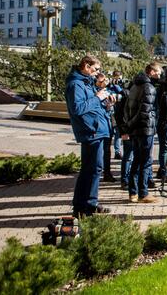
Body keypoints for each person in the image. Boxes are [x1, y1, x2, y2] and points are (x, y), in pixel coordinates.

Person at [64, 55, 113, 217]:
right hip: (90, 131)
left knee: (93, 169)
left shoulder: (86, 82)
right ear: (86, 66)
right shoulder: (75, 84)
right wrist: (97, 97)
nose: (98, 73)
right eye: (96, 69)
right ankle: (82, 207)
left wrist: (106, 103)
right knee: (91, 169)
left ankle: (89, 204)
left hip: (97, 129)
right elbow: (77, 108)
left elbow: (94, 106)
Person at [125, 62, 162, 204]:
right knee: (145, 162)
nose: (160, 75)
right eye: (158, 72)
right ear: (151, 72)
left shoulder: (135, 85)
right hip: (145, 129)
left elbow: (127, 108)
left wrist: (129, 124)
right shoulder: (148, 87)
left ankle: (133, 193)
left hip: (135, 129)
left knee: (136, 161)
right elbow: (144, 112)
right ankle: (143, 193)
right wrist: (133, 123)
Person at [93, 72, 116, 183]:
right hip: (98, 125)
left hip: (108, 122)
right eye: (103, 81)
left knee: (107, 150)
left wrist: (110, 104)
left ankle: (107, 172)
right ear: (97, 81)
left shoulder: (108, 91)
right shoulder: (93, 91)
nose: (105, 83)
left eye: (106, 80)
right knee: (98, 151)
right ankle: (96, 173)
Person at [109, 71, 124, 159]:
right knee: (115, 132)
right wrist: (115, 85)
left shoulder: (117, 86)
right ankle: (116, 151)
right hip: (113, 112)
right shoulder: (111, 87)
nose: (119, 80)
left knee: (118, 133)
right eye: (118, 78)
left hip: (117, 112)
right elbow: (121, 93)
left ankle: (117, 151)